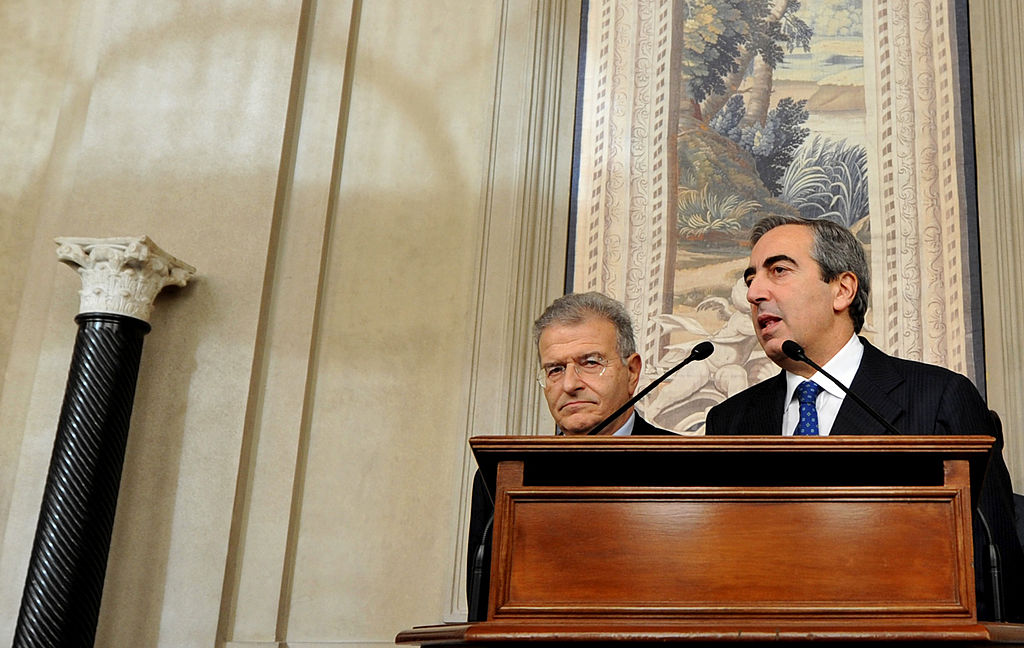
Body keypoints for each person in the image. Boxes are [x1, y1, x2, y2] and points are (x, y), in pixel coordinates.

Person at [705, 214, 1024, 622]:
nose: (753, 292)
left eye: (778, 271)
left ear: (842, 289)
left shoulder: (939, 396)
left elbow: (994, 562)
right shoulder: (730, 421)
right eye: (750, 278)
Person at [466, 292, 673, 620]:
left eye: (590, 363)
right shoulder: (506, 473)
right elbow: (483, 613)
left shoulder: (684, 462)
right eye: (555, 369)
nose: (570, 384)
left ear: (632, 372)